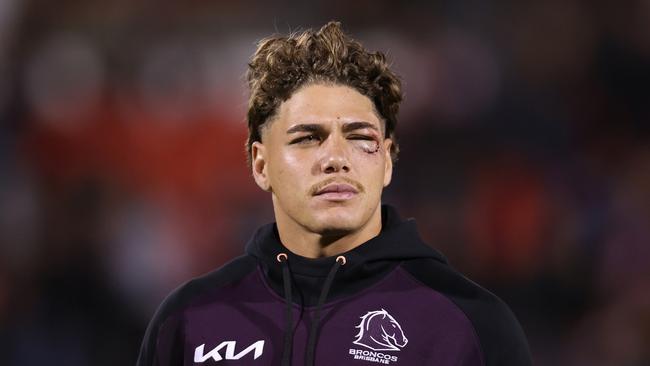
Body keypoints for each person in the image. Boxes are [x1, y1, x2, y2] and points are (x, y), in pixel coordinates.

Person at [136, 21, 532, 366]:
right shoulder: (189, 319)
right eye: (308, 138)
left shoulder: (470, 325)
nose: (336, 159)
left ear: (388, 161)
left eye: (360, 138)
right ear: (260, 165)